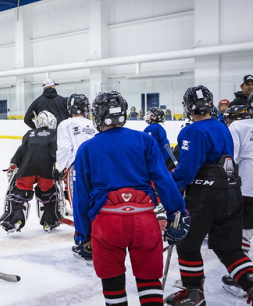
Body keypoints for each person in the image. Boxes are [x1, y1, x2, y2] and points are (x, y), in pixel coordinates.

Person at [73, 91, 188, 306]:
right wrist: (177, 212)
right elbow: (164, 180)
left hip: (107, 224)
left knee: (112, 279)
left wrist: (82, 233)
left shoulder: (86, 149)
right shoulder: (145, 140)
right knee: (149, 279)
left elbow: (81, 197)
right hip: (144, 221)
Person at [166, 85, 253, 305]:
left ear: (187, 107)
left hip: (207, 195)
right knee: (230, 249)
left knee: (187, 244)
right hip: (233, 192)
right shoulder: (223, 126)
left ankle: (194, 293)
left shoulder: (192, 131)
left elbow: (187, 169)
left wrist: (171, 188)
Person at [0, 110, 60, 233]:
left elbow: (21, 151)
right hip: (46, 171)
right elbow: (56, 152)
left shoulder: (30, 133)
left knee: (19, 194)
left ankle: (15, 220)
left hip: (26, 170)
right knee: (48, 195)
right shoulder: (55, 133)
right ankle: (49, 220)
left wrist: (13, 163)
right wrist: (59, 167)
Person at [54, 94, 96, 261]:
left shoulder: (65, 124)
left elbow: (64, 148)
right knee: (96, 202)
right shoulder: (94, 123)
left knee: (79, 205)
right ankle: (98, 239)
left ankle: (84, 242)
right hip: (97, 167)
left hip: (77, 168)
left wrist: (59, 168)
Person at [221, 100, 253, 298]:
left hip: (247, 187)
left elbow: (229, 158)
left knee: (240, 231)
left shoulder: (237, 126)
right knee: (248, 230)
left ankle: (242, 278)